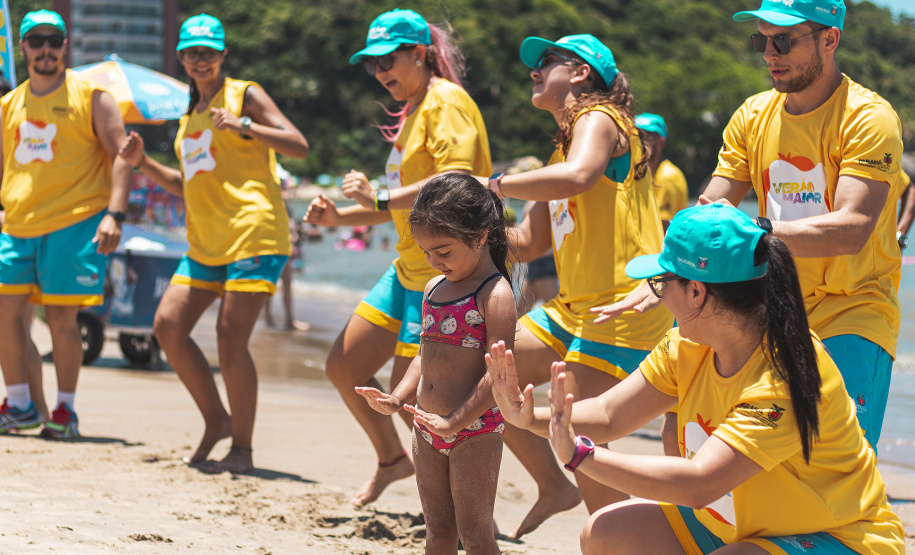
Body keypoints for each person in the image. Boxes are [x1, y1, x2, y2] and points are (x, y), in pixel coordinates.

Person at [490, 203, 905, 554]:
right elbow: (610, 415)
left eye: (660, 282)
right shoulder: (685, 345)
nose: (656, 294)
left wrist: (581, 457)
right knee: (604, 533)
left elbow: (701, 485)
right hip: (736, 521)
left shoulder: (784, 373)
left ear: (696, 292)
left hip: (838, 535)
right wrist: (529, 417)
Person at [596, 0, 905, 450]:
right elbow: (713, 205)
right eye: (761, 40)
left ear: (829, 39)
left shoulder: (868, 118)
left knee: (832, 453)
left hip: (851, 309)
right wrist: (669, 272)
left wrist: (754, 230)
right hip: (770, 301)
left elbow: (852, 227)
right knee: (684, 424)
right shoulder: (753, 115)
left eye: (783, 40)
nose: (768, 54)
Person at [449, 34, 673, 522]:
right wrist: (459, 241)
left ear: (580, 73)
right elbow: (529, 241)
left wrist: (492, 183)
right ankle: (553, 488)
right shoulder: (559, 154)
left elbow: (579, 177)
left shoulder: (601, 119)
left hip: (623, 305)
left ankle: (617, 541)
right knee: (493, 382)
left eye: (547, 61)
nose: (534, 70)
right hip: (572, 308)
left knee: (577, 433)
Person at [304, 9, 520, 509]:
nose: (381, 71)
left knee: (434, 395)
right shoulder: (415, 110)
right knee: (345, 365)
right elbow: (417, 209)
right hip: (408, 266)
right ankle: (391, 461)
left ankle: (486, 500)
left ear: (421, 54)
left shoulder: (447, 103)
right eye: (372, 64)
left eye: (389, 59)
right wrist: (341, 220)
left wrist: (379, 198)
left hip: (449, 272)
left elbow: (458, 180)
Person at [118, 13, 309, 473]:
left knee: (230, 339)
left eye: (208, 51)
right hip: (206, 244)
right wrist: (143, 163)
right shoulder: (189, 119)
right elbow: (187, 186)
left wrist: (244, 125)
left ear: (223, 54)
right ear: (181, 57)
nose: (199, 59)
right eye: (191, 52)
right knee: (167, 326)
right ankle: (217, 420)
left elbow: (297, 145)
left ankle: (241, 448)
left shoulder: (245, 94)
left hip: (254, 233)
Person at [356, 174, 514, 554]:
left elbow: (499, 376)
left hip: (473, 430)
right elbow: (424, 354)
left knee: (475, 534)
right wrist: (397, 398)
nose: (434, 261)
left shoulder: (495, 295)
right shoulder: (433, 288)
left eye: (443, 252)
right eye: (427, 253)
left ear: (479, 236)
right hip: (426, 428)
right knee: (437, 530)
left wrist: (455, 422)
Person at [0, 10, 131, 438]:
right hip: (17, 224)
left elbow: (123, 155)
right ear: (22, 47)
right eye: (35, 41)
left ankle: (65, 411)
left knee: (61, 319)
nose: (44, 49)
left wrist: (115, 213)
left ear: (64, 46)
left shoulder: (92, 96)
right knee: (5, 315)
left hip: (74, 224)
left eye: (53, 41)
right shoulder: (9, 104)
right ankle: (19, 404)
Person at [634, 113, 688, 230]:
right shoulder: (643, 174)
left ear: (661, 142)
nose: (640, 141)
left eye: (646, 136)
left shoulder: (667, 176)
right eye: (636, 136)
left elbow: (663, 227)